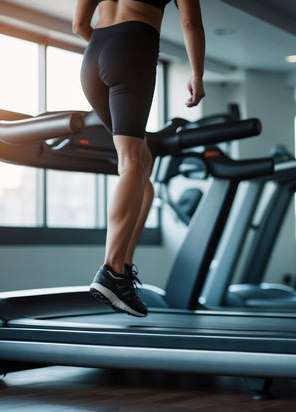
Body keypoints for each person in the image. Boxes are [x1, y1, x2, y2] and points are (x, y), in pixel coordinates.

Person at [73, 0, 206, 317]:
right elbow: (190, 23)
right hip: (133, 45)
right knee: (132, 162)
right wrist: (197, 74)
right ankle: (111, 269)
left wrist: (107, 50)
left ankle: (122, 270)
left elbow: (79, 26)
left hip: (93, 54)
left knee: (142, 165)